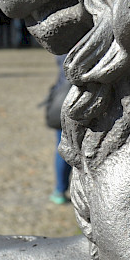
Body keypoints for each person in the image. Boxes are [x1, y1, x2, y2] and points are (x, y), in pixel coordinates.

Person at [44, 54, 73, 205]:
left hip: (63, 94)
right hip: (71, 99)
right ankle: (60, 190)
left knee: (62, 146)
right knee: (65, 147)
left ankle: (60, 190)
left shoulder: (64, 43)